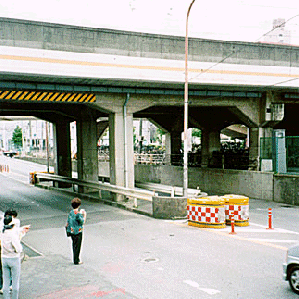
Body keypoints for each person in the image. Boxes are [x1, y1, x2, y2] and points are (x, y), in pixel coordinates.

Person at [0, 215, 29, 299]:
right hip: (13, 258)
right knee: (15, 283)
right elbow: (18, 248)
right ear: (12, 225)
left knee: (6, 281)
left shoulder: (2, 232)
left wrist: (22, 230)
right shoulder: (12, 235)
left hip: (4, 258)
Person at [66, 198, 87, 265]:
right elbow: (82, 222)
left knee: (74, 244)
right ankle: (76, 260)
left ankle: (75, 258)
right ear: (79, 205)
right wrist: (84, 215)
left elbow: (68, 222)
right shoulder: (78, 214)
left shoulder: (71, 212)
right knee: (78, 246)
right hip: (78, 231)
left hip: (72, 231)